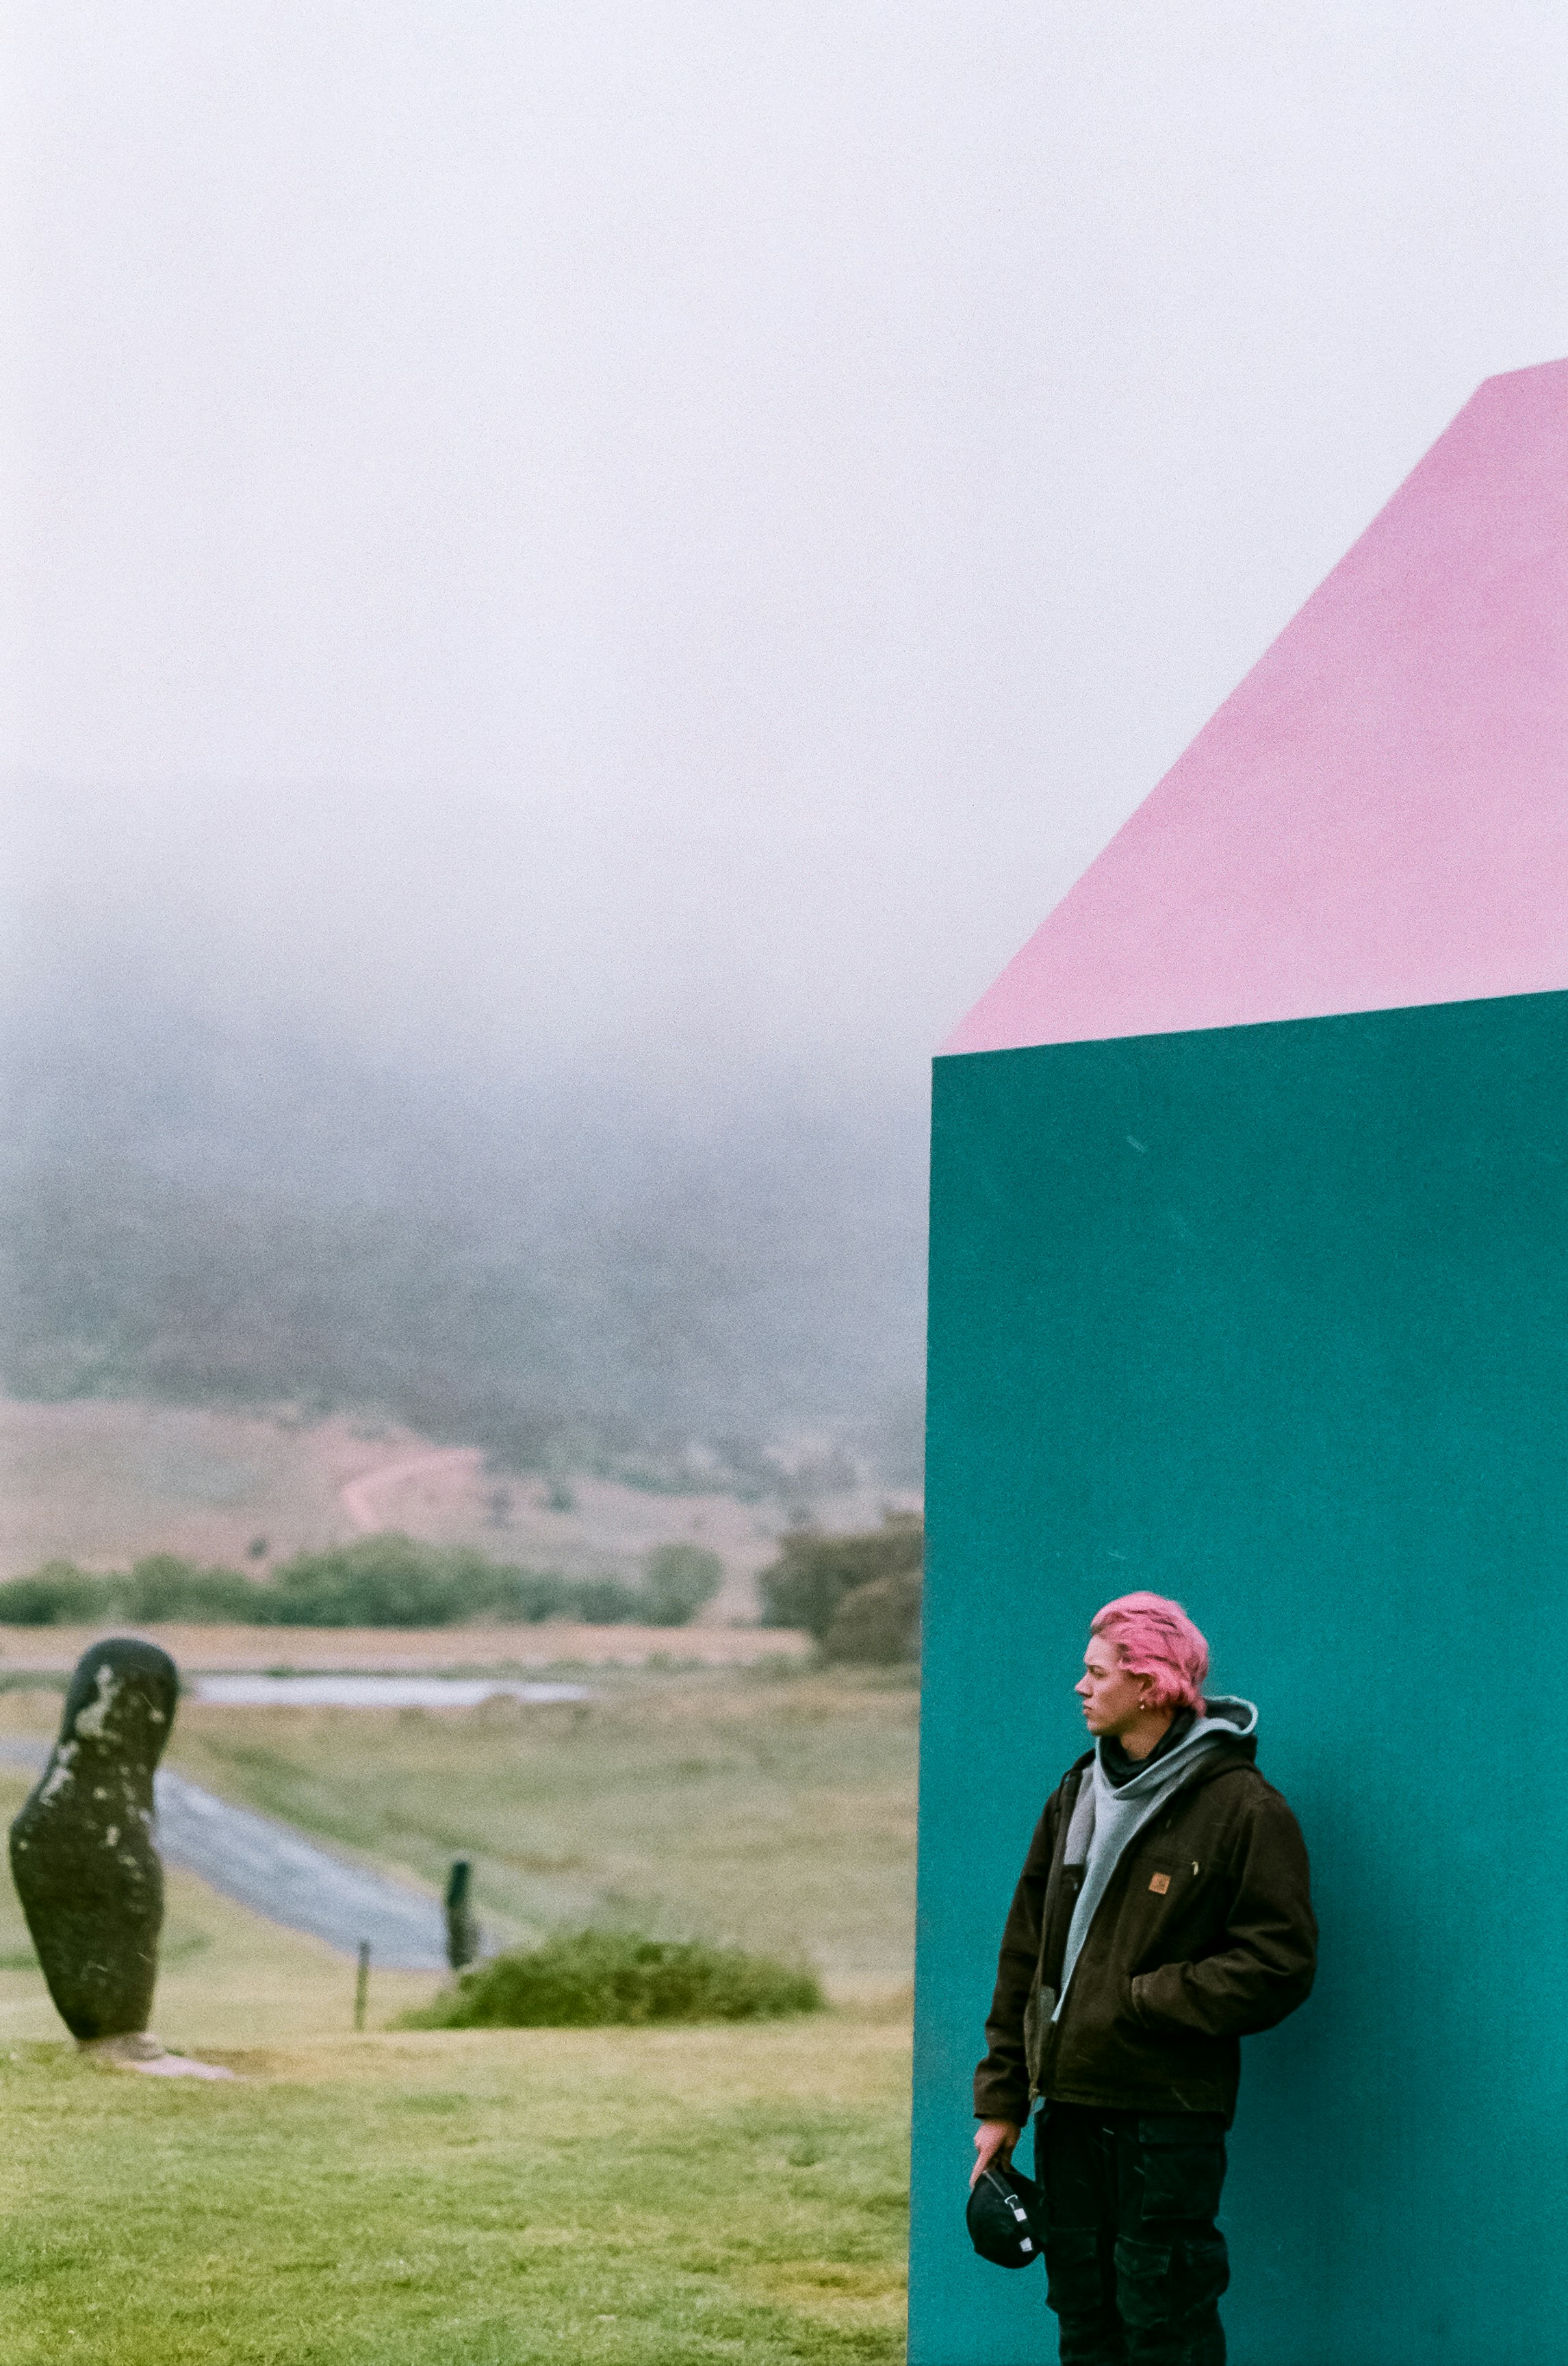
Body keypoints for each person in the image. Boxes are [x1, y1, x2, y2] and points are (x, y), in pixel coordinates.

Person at [971, 1592, 1316, 2365]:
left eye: (1095, 1673)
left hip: (1166, 2121)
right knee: (1085, 2323)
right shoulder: (1074, 1793)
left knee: (1165, 2323)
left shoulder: (1242, 1810)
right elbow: (1025, 1955)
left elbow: (1278, 1964)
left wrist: (1142, 1999)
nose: (1078, 1686)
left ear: (1149, 1683)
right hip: (1068, 2114)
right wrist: (1001, 2101)